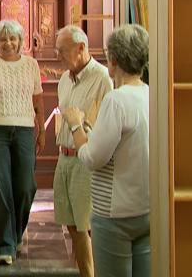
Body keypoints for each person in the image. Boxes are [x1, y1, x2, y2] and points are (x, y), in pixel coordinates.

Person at [64, 24, 150, 277]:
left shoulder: (117, 99)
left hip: (115, 213)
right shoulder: (150, 94)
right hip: (145, 208)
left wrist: (76, 125)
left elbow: (92, 159)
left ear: (113, 61)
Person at [0, 20, 45, 265]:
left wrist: (42, 130)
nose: (8, 43)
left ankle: (15, 232)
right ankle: (4, 245)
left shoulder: (31, 65)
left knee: (26, 186)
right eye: (2, 39)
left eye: (12, 39)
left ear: (21, 41)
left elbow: (38, 101)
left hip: (25, 129)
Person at [53, 25, 113, 277]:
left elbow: (108, 122)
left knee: (87, 225)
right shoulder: (64, 79)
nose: (58, 56)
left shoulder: (103, 78)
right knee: (71, 224)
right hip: (64, 159)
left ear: (81, 48)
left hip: (85, 161)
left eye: (62, 51)